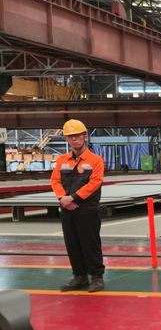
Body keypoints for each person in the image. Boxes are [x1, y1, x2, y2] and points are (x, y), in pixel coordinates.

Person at [51, 119, 106, 292]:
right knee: (72, 244)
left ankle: (96, 277)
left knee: (90, 244)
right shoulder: (62, 160)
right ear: (67, 139)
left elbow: (94, 183)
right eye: (70, 137)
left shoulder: (96, 160)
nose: (74, 139)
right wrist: (62, 198)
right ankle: (79, 276)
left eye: (77, 136)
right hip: (67, 209)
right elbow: (55, 181)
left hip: (87, 210)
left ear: (85, 137)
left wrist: (73, 198)